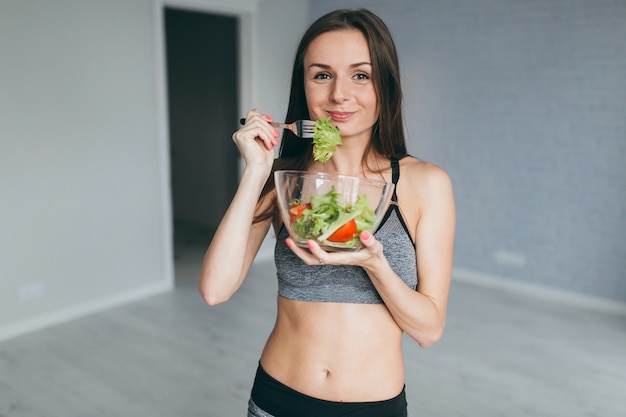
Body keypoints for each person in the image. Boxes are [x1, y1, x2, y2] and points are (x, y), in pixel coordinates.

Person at [199, 8, 455, 417]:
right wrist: (257, 172)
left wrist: (376, 264)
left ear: (385, 86)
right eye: (322, 75)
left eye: (360, 75)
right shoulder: (284, 180)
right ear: (304, 86)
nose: (339, 94)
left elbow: (429, 329)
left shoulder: (426, 184)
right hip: (276, 399)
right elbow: (215, 290)